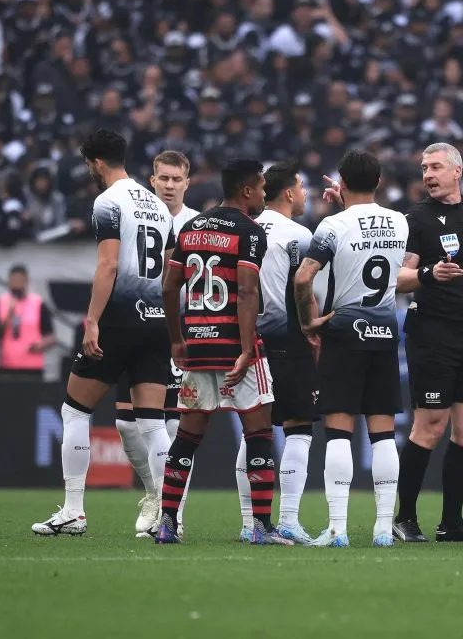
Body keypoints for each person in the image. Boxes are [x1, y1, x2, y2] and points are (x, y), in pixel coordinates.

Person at [31, 130, 174, 537]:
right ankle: (169, 516)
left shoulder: (107, 202)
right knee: (152, 422)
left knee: (75, 410)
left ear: (95, 162)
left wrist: (92, 319)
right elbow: (168, 274)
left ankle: (74, 510)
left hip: (119, 319)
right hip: (156, 320)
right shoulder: (160, 208)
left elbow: (108, 266)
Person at [156, 158, 290, 545]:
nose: (265, 193)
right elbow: (247, 290)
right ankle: (262, 527)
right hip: (235, 348)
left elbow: (169, 287)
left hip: (197, 346)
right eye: (262, 187)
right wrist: (248, 348)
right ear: (247, 190)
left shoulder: (191, 227)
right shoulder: (249, 232)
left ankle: (167, 523)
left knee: (187, 436)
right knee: (260, 433)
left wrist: (177, 339)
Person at [293, 149, 408, 548]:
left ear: (340, 183)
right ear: (379, 182)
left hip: (344, 332)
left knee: (339, 432)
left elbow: (304, 278)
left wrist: (308, 321)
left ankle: (338, 529)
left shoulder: (332, 225)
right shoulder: (400, 222)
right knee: (383, 434)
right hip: (384, 332)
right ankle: (382, 529)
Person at [392, 142, 463, 543]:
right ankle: (404, 518)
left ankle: (451, 522)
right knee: (429, 427)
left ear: (457, 170)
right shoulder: (415, 220)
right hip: (432, 333)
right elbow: (398, 279)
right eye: (423, 168)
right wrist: (428, 275)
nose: (427, 175)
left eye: (435, 167)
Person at [114, 150, 199, 538]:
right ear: (152, 180)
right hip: (137, 328)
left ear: (187, 182)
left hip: (179, 335)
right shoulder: (138, 213)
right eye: (162, 178)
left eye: (175, 179)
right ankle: (154, 494)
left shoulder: (198, 224)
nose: (168, 185)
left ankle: (172, 512)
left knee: (170, 424)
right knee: (125, 424)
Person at [233, 160, 317, 544]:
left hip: (246, 339)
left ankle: (250, 522)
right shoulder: (298, 234)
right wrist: (315, 333)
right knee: (299, 426)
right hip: (287, 339)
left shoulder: (245, 229)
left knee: (255, 430)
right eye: (301, 188)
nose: (304, 195)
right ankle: (286, 520)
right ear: (288, 192)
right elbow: (307, 290)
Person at [0, 265, 55, 379]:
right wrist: (9, 313)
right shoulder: (1, 302)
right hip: (6, 365)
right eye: (13, 281)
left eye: (19, 280)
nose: (16, 284)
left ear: (26, 281)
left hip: (32, 366)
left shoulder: (38, 303)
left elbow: (51, 336)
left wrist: (40, 345)